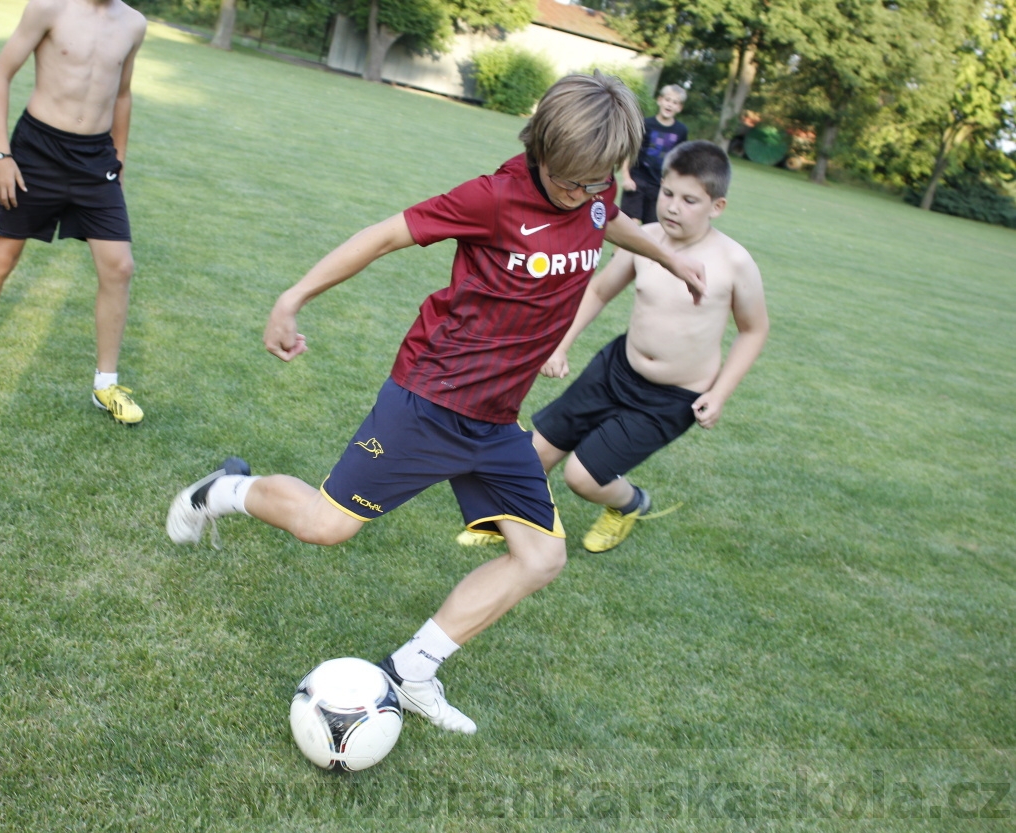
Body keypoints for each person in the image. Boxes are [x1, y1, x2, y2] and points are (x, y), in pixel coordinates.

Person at [167, 73, 706, 735]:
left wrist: (672, 261)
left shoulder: (595, 196)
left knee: (541, 557)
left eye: (599, 179)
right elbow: (384, 235)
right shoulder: (495, 197)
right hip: (431, 400)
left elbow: (615, 222)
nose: (586, 195)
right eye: (573, 181)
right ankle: (222, 490)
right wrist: (291, 298)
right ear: (540, 148)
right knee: (326, 527)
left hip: (495, 420)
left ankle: (413, 669)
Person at [460, 140, 768, 554]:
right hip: (616, 369)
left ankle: (631, 504)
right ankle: (504, 521)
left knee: (582, 477)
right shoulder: (644, 239)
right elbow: (600, 290)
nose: (673, 206)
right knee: (534, 452)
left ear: (717, 206)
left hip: (672, 397)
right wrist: (560, 345)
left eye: (690, 200)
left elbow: (754, 330)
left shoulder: (734, 262)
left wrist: (719, 393)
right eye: (668, 193)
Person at [0, 0, 148, 426]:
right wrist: (1, 153)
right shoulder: (49, 7)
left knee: (119, 267)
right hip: (36, 152)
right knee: (1, 259)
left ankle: (105, 384)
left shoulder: (134, 24)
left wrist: (119, 160)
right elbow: (1, 72)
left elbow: (122, 95)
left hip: (96, 161)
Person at [618, 84, 689, 226]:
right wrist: (626, 177)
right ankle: (618, 250)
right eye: (668, 100)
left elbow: (680, 161)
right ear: (660, 100)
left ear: (679, 108)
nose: (670, 105)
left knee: (652, 228)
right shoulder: (645, 124)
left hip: (660, 185)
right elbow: (630, 152)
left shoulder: (681, 131)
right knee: (630, 223)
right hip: (637, 180)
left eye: (675, 102)